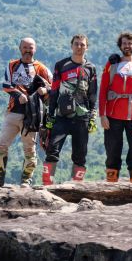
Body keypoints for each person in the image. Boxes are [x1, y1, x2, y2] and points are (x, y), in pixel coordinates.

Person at [0, 37, 51, 187]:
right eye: (25, 47)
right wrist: (18, 95)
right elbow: (6, 84)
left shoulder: (41, 67)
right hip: (13, 112)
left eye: (31, 47)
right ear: (20, 48)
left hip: (32, 115)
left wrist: (45, 89)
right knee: (1, 145)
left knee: (29, 149)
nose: (28, 50)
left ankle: (26, 180)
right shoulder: (12, 65)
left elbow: (53, 85)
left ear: (35, 49)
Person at [42, 34, 98, 185]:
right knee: (52, 149)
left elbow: (92, 94)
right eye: (76, 44)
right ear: (71, 45)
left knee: (80, 155)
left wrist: (93, 115)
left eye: (82, 45)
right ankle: (47, 186)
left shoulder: (90, 68)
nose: (79, 47)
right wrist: (50, 114)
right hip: (62, 115)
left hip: (82, 117)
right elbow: (54, 91)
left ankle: (76, 187)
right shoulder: (61, 65)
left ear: (87, 47)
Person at [99, 32, 132, 183]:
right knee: (112, 150)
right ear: (120, 46)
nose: (127, 46)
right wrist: (103, 115)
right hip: (112, 116)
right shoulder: (112, 65)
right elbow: (103, 91)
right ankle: (111, 184)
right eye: (124, 43)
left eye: (130, 43)